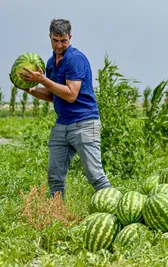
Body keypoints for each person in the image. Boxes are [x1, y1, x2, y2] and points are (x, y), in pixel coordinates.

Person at [9, 18, 111, 198]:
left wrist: (42, 80)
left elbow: (71, 94)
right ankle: (57, 216)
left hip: (84, 123)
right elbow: (52, 95)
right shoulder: (50, 63)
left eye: (63, 40)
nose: (59, 45)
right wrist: (28, 89)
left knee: (95, 176)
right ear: (50, 37)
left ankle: (117, 210)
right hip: (62, 124)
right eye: (55, 40)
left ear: (70, 37)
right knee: (55, 177)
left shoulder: (75, 59)